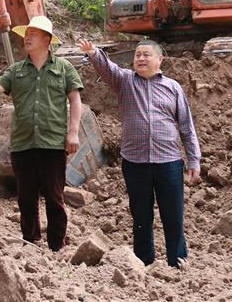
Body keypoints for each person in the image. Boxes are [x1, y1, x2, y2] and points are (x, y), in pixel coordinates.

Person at [76, 37, 200, 268]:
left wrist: (194, 159)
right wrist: (94, 53)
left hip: (169, 162)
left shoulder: (173, 87)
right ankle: (142, 261)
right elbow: (107, 68)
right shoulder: (125, 81)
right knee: (141, 217)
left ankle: (178, 261)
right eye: (137, 55)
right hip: (136, 163)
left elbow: (186, 126)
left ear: (159, 59)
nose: (141, 59)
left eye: (146, 55)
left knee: (173, 216)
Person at [0, 16, 83, 252]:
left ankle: (56, 246)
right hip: (22, 144)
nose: (27, 37)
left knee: (55, 198)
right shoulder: (16, 70)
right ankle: (31, 242)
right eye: (26, 33)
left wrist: (73, 133)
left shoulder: (64, 68)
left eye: (33, 34)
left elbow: (75, 100)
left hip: (52, 143)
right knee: (26, 198)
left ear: (47, 40)